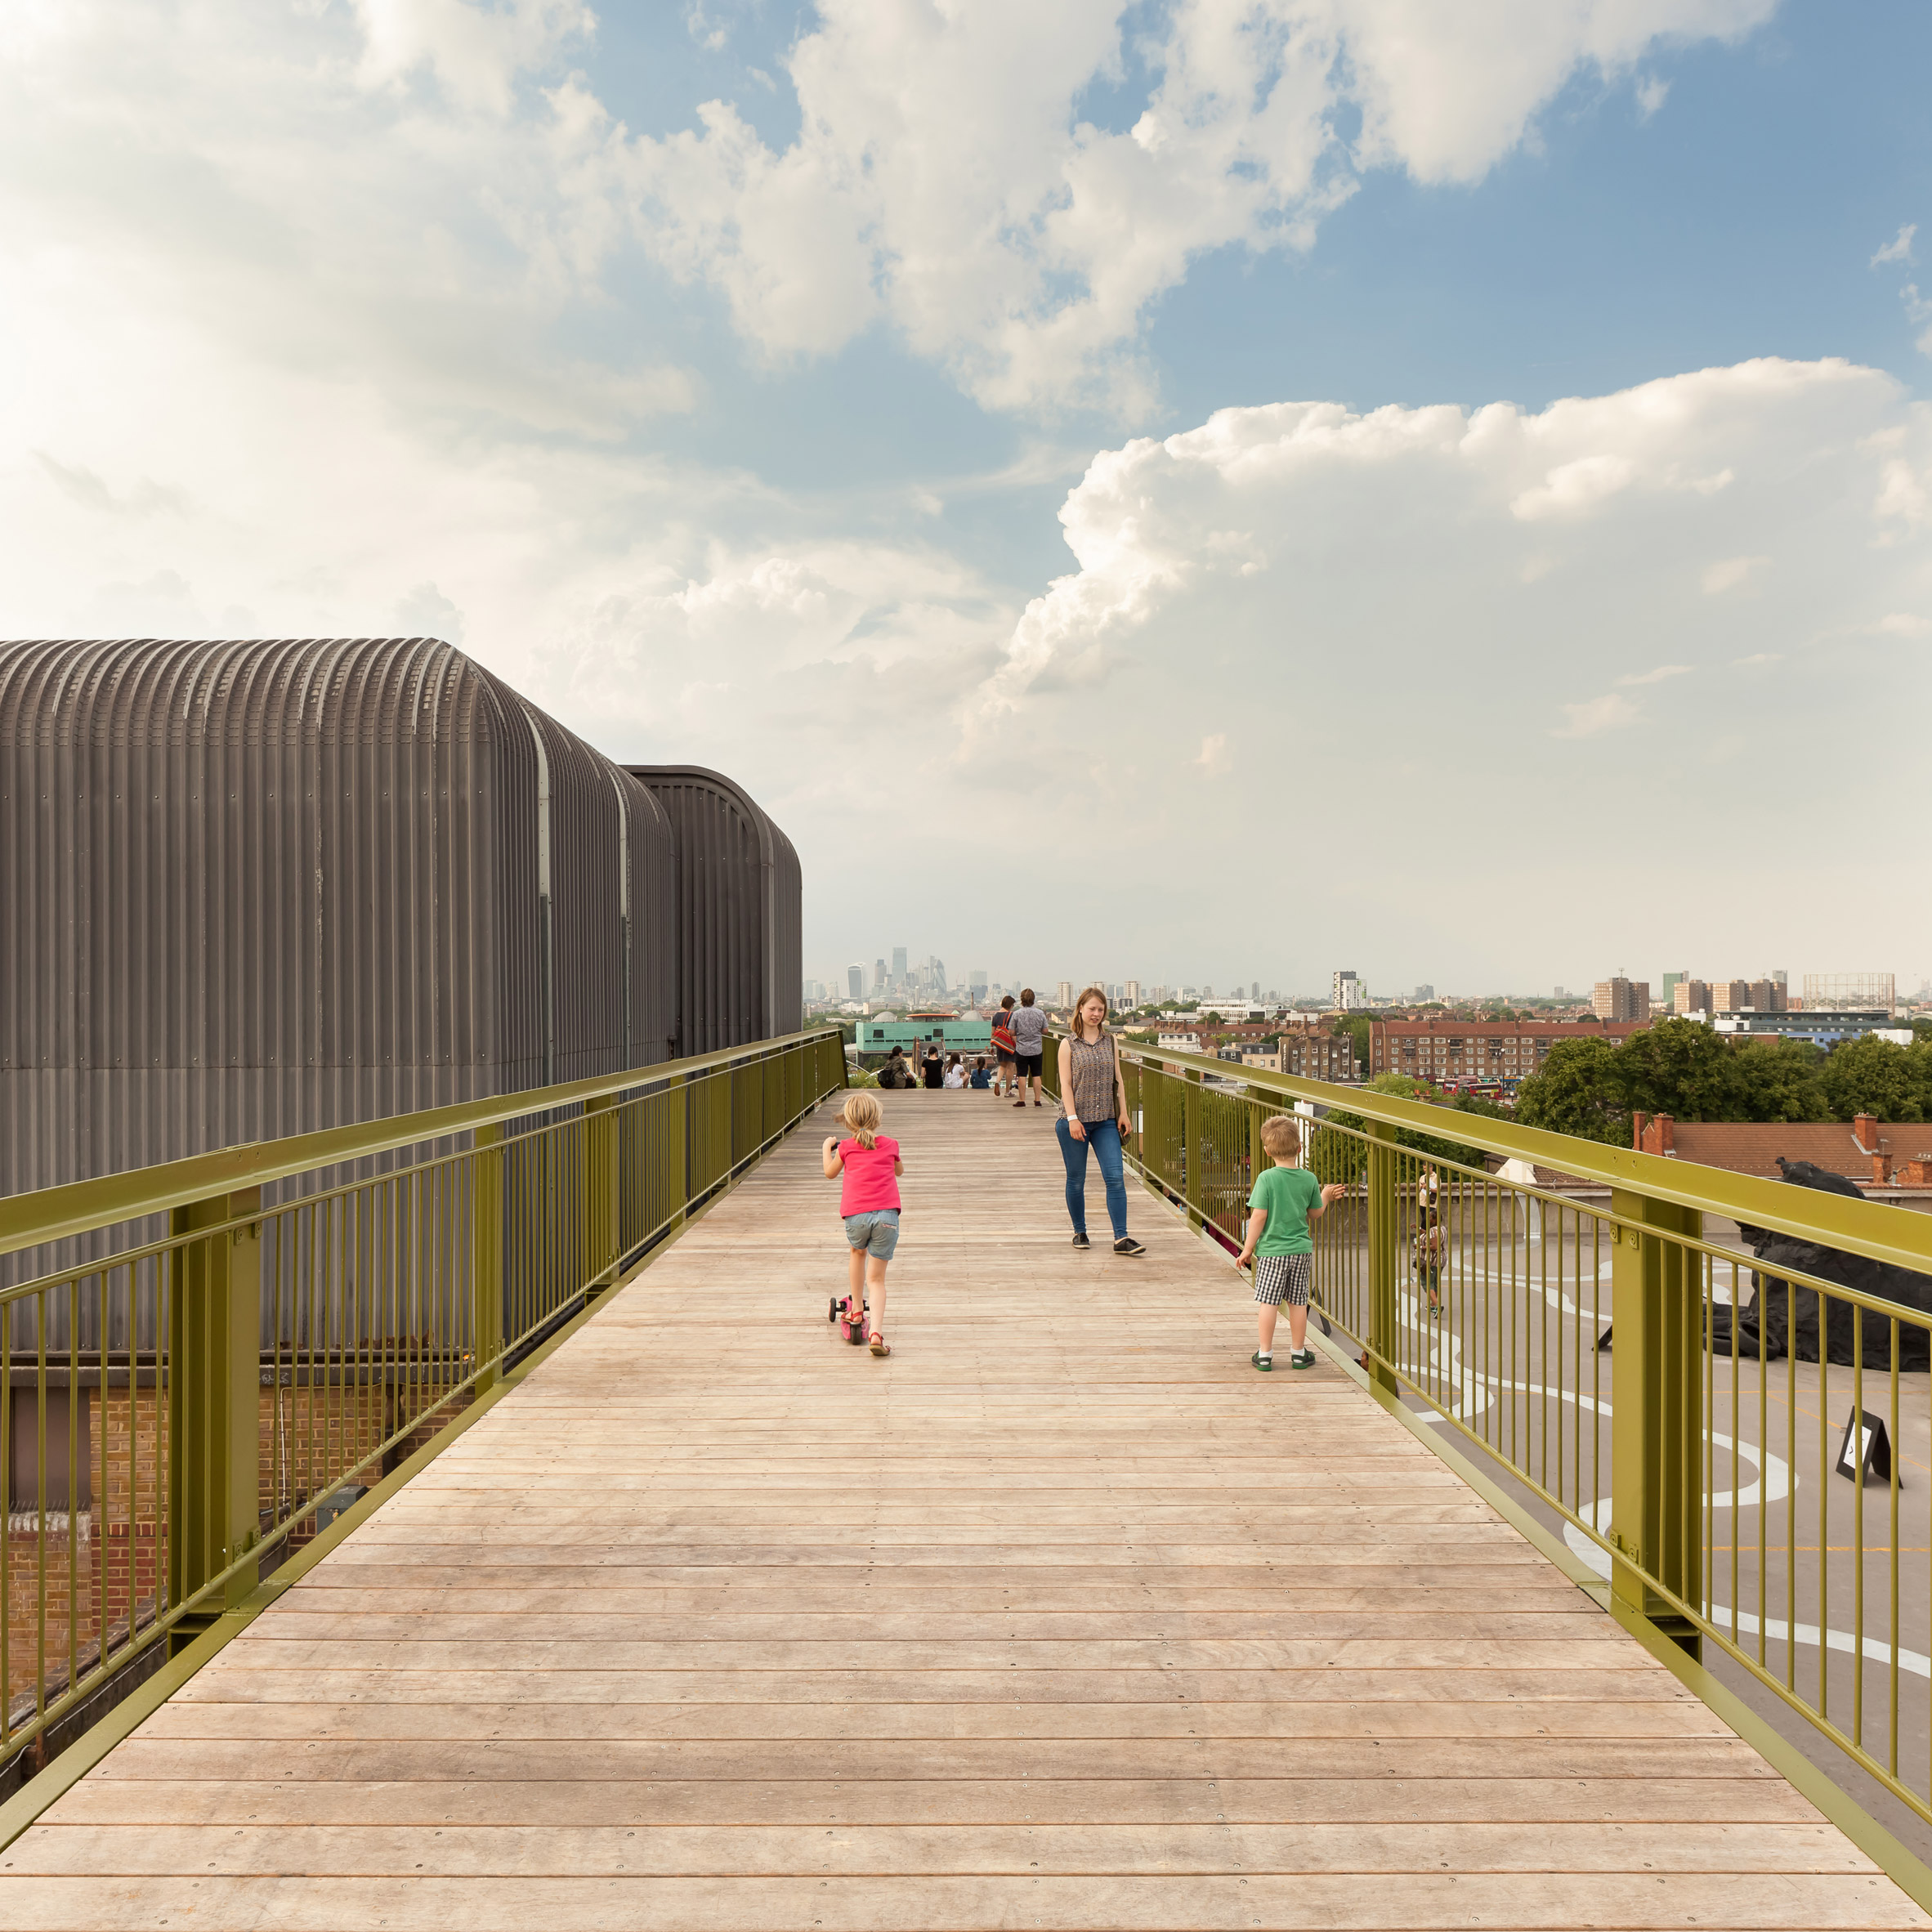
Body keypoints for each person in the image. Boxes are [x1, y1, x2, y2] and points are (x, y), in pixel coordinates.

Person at [1235, 1116, 1345, 1371]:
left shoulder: (1266, 1178)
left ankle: (1265, 1354)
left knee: (1269, 1302)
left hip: (1273, 1253)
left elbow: (1259, 1216)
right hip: (1300, 1250)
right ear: (1299, 1148)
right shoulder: (1308, 1178)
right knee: (1298, 1302)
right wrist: (1325, 1195)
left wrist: (1248, 1249)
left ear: (1267, 1150)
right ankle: (1298, 1352)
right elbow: (1315, 1213)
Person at [1053, 986, 1145, 1256]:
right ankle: (1080, 1231)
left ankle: (1121, 1237)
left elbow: (1118, 1081)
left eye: (1101, 1010)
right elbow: (1066, 1085)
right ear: (1080, 1009)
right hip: (1075, 1119)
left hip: (1105, 1120)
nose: (1096, 1014)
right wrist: (1072, 1118)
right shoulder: (1067, 1044)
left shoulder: (1111, 1041)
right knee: (1076, 1178)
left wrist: (1124, 1113)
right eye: (1091, 1008)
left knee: (1116, 1177)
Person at [821, 1090, 901, 1357]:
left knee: (857, 1253)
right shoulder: (890, 1144)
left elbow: (830, 1173)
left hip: (856, 1216)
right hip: (887, 1218)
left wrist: (826, 1149)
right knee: (877, 1279)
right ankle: (876, 1333)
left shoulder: (845, 1147)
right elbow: (898, 1170)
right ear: (877, 1118)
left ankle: (856, 1312)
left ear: (848, 1121)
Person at [1008, 989, 1049, 1108]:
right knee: (1036, 1074)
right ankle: (1037, 1100)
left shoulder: (1016, 1014)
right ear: (1033, 999)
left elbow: (1011, 1031)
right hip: (1037, 1048)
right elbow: (1046, 1030)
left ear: (1022, 1000)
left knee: (1022, 1075)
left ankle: (1022, 1100)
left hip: (1022, 1048)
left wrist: (1019, 1032)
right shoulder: (1040, 1013)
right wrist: (1037, 1031)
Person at [991, 996, 1017, 1098]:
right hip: (1009, 1044)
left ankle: (997, 1081)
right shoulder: (1012, 1015)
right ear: (1010, 1005)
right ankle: (1007, 1091)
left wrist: (992, 1045)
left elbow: (993, 1032)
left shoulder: (996, 1015)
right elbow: (1013, 1033)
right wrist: (1018, 1045)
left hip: (1000, 1043)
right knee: (1010, 1067)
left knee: (1002, 1065)